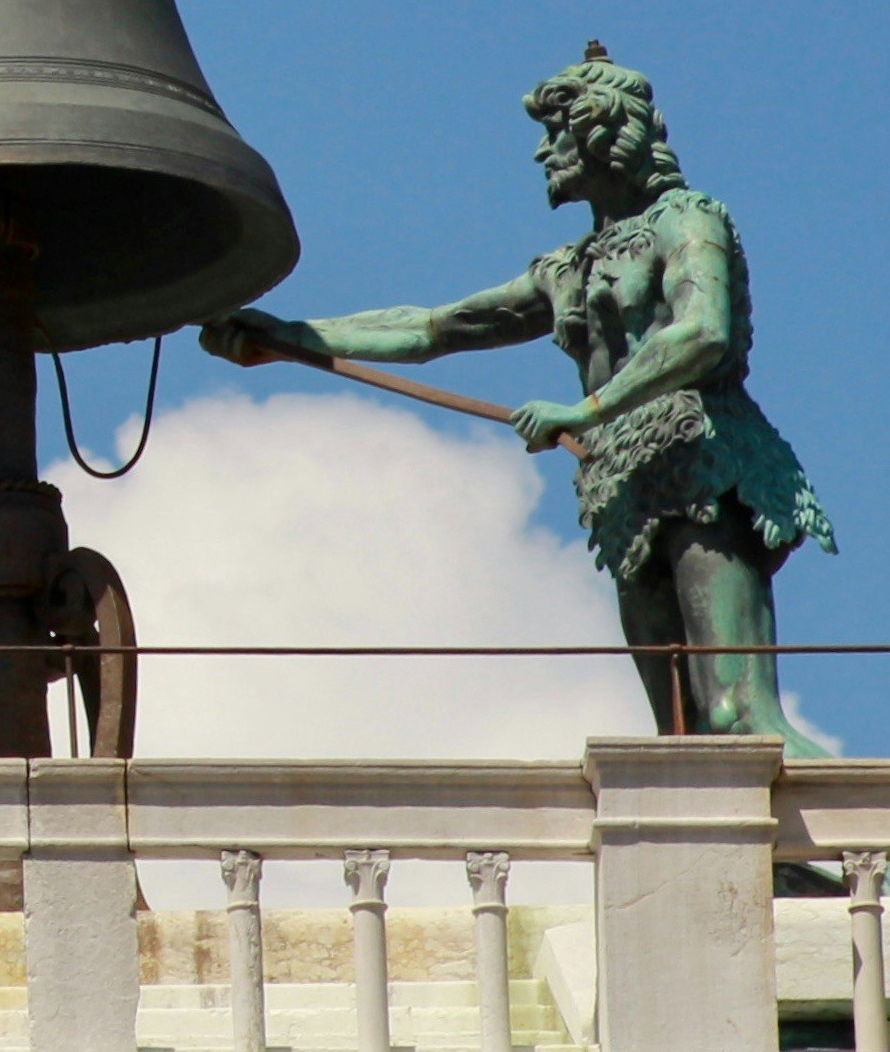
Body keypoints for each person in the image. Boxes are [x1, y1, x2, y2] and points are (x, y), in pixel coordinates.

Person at [206, 48, 834, 749]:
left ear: (601, 135)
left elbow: (702, 332)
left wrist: (585, 411)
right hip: (622, 488)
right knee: (676, 741)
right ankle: (763, 865)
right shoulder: (568, 268)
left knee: (735, 716)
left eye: (555, 135)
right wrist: (292, 335)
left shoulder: (686, 223)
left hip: (704, 465)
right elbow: (433, 327)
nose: (543, 153)